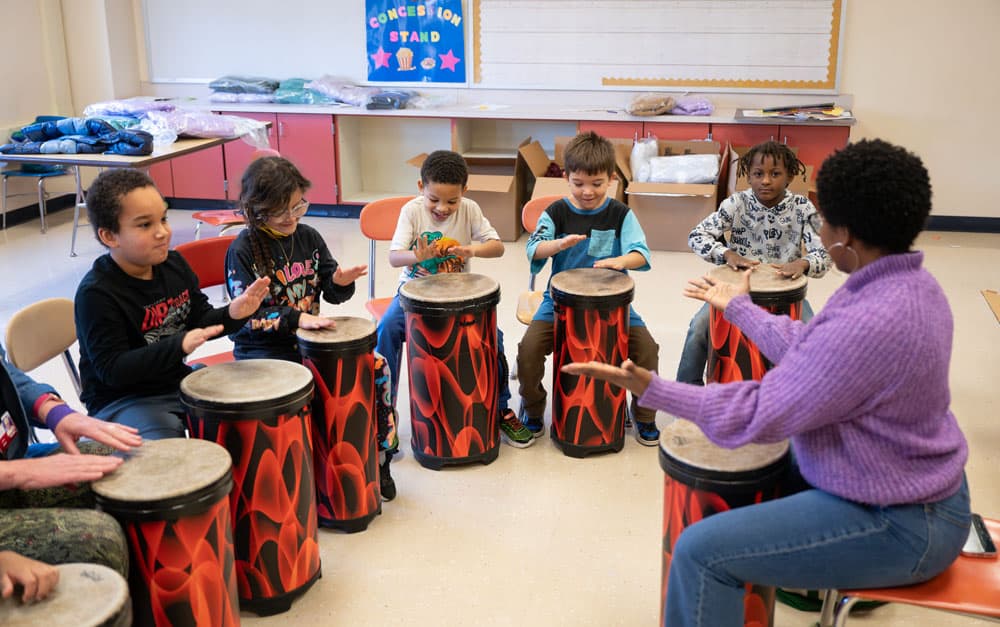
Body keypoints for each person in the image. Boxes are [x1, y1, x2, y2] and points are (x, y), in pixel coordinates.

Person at [563, 139, 971, 627]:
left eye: (824, 222)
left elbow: (762, 412)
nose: (819, 229)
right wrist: (739, 307)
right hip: (904, 480)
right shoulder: (910, 283)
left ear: (843, 237)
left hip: (901, 519)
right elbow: (811, 346)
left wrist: (653, 388)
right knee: (763, 471)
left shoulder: (870, 320)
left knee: (699, 552)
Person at [225, 156, 399, 500]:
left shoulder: (309, 236)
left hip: (310, 343)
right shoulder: (242, 250)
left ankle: (380, 458)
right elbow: (247, 316)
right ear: (257, 209)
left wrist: (338, 281)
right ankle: (303, 480)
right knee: (307, 396)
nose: (292, 217)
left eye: (298, 206)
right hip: (262, 351)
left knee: (376, 369)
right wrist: (296, 318)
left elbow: (331, 294)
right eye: (281, 211)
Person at [75, 168, 270, 440]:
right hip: (123, 401)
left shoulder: (173, 265)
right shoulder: (96, 293)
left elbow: (199, 320)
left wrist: (233, 314)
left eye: (163, 219)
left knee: (252, 412)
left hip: (176, 381)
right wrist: (177, 345)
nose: (162, 232)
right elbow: (113, 370)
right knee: (169, 454)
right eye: (145, 225)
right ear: (109, 236)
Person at [375, 150, 534, 449]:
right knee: (386, 330)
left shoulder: (470, 209)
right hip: (414, 294)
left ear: (464, 191)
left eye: (452, 201)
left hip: (460, 297)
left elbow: (497, 247)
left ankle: (500, 408)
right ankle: (385, 415)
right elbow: (394, 257)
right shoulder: (411, 211)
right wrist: (415, 256)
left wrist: (472, 250)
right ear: (421, 187)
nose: (442, 208)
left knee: (494, 337)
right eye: (434, 199)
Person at [516, 131, 660, 445]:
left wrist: (622, 260)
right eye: (578, 184)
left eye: (596, 184)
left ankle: (644, 415)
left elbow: (642, 254)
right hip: (558, 303)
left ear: (611, 179)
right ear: (566, 178)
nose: (587, 192)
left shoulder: (622, 214)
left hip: (611, 304)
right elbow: (533, 250)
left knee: (648, 349)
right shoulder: (556, 212)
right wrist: (556, 244)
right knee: (527, 350)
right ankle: (533, 407)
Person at [676, 140, 831, 384]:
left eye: (775, 174)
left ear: (790, 176)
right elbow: (696, 236)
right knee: (698, 328)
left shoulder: (802, 208)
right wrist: (727, 254)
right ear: (748, 176)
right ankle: (688, 396)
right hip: (733, 293)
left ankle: (808, 399)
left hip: (786, 295)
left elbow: (825, 253)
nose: (766, 180)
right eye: (758, 174)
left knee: (812, 339)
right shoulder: (736, 204)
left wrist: (802, 263)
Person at [1, 340, 142, 579]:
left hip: (12, 458)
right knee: (101, 541)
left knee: (129, 463)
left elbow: (5, 373)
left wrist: (53, 411)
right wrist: (17, 473)